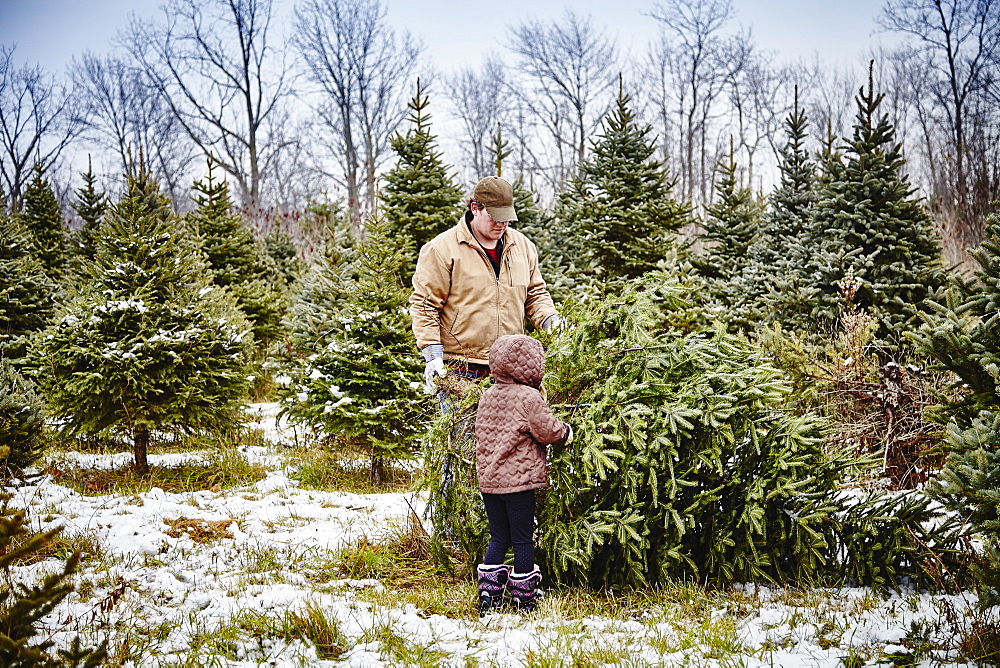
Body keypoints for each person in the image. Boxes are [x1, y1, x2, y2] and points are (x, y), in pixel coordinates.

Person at [409, 176, 562, 396]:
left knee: (514, 431)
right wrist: (432, 355)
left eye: (506, 218)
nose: (502, 224)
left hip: (511, 366)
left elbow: (535, 294)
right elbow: (425, 305)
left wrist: (550, 320)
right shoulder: (442, 250)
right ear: (475, 209)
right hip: (461, 368)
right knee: (468, 431)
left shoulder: (522, 247)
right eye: (495, 218)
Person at [474, 334, 571, 615]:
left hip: (490, 482)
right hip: (519, 483)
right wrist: (566, 431)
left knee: (498, 538)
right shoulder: (529, 398)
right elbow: (548, 431)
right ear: (530, 365)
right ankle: (524, 597)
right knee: (522, 540)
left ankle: (489, 593)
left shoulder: (487, 396)